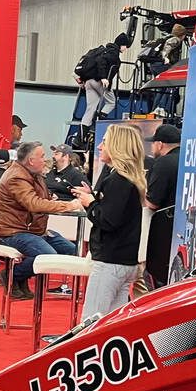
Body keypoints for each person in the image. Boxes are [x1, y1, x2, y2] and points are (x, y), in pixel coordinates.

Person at [72, 123, 146, 318]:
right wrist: (94, 200)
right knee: (112, 323)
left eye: (104, 141)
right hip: (123, 261)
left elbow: (108, 220)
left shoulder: (118, 180)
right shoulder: (126, 179)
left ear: (117, 145)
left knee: (92, 322)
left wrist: (90, 203)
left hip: (110, 262)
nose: (99, 146)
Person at [0, 141, 79, 300]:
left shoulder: (33, 174)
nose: (46, 160)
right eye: (42, 156)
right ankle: (12, 275)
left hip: (33, 230)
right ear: (31, 160)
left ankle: (19, 277)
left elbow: (39, 200)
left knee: (72, 250)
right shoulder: (17, 177)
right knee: (48, 256)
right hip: (13, 232)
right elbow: (34, 204)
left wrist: (51, 199)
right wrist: (67, 205)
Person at [144, 123, 181, 288]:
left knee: (158, 281)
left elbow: (153, 202)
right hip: (183, 228)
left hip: (163, 232)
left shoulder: (163, 163)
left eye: (153, 143)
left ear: (160, 144)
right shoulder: (191, 159)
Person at [78, 33, 130, 136]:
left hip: (89, 82)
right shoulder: (113, 53)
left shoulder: (105, 50)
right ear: (121, 45)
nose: (126, 49)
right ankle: (97, 122)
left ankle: (80, 138)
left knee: (90, 108)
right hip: (99, 82)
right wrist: (103, 77)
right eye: (126, 46)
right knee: (111, 102)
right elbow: (100, 61)